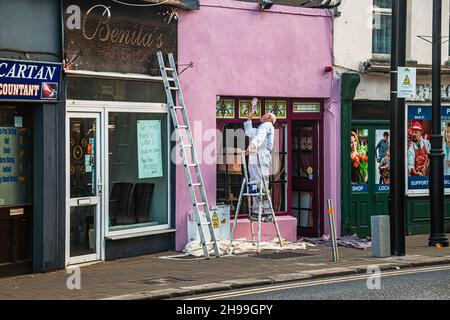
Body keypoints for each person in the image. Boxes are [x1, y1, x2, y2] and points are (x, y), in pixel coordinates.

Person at [244, 107, 276, 223]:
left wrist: (252, 145)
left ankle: (267, 213)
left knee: (261, 186)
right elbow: (249, 131)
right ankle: (257, 212)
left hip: (261, 159)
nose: (262, 115)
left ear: (268, 118)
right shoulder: (261, 128)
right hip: (256, 158)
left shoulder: (267, 126)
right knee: (255, 185)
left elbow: (260, 137)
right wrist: (249, 117)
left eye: (264, 114)